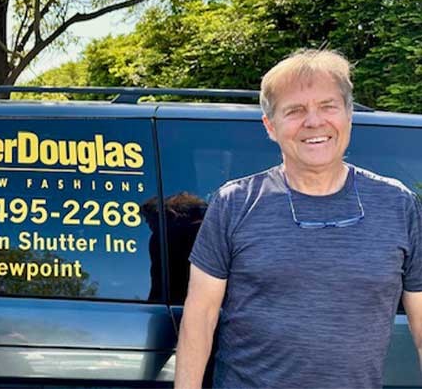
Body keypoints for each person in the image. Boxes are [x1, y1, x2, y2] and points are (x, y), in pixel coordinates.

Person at [174, 49, 422, 388]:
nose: (314, 121)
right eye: (295, 110)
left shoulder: (399, 204)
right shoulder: (234, 203)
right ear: (270, 126)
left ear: (349, 114)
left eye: (327, 106)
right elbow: (199, 320)